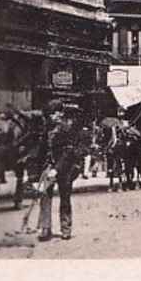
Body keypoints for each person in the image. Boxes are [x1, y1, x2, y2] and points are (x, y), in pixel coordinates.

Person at [37, 102, 90, 241]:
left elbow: (68, 153)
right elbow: (41, 151)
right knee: (44, 194)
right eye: (54, 113)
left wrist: (56, 169)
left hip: (65, 168)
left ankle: (66, 228)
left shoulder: (67, 129)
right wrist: (38, 172)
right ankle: (45, 227)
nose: (58, 115)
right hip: (49, 165)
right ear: (49, 116)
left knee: (65, 198)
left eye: (59, 112)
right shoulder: (45, 129)